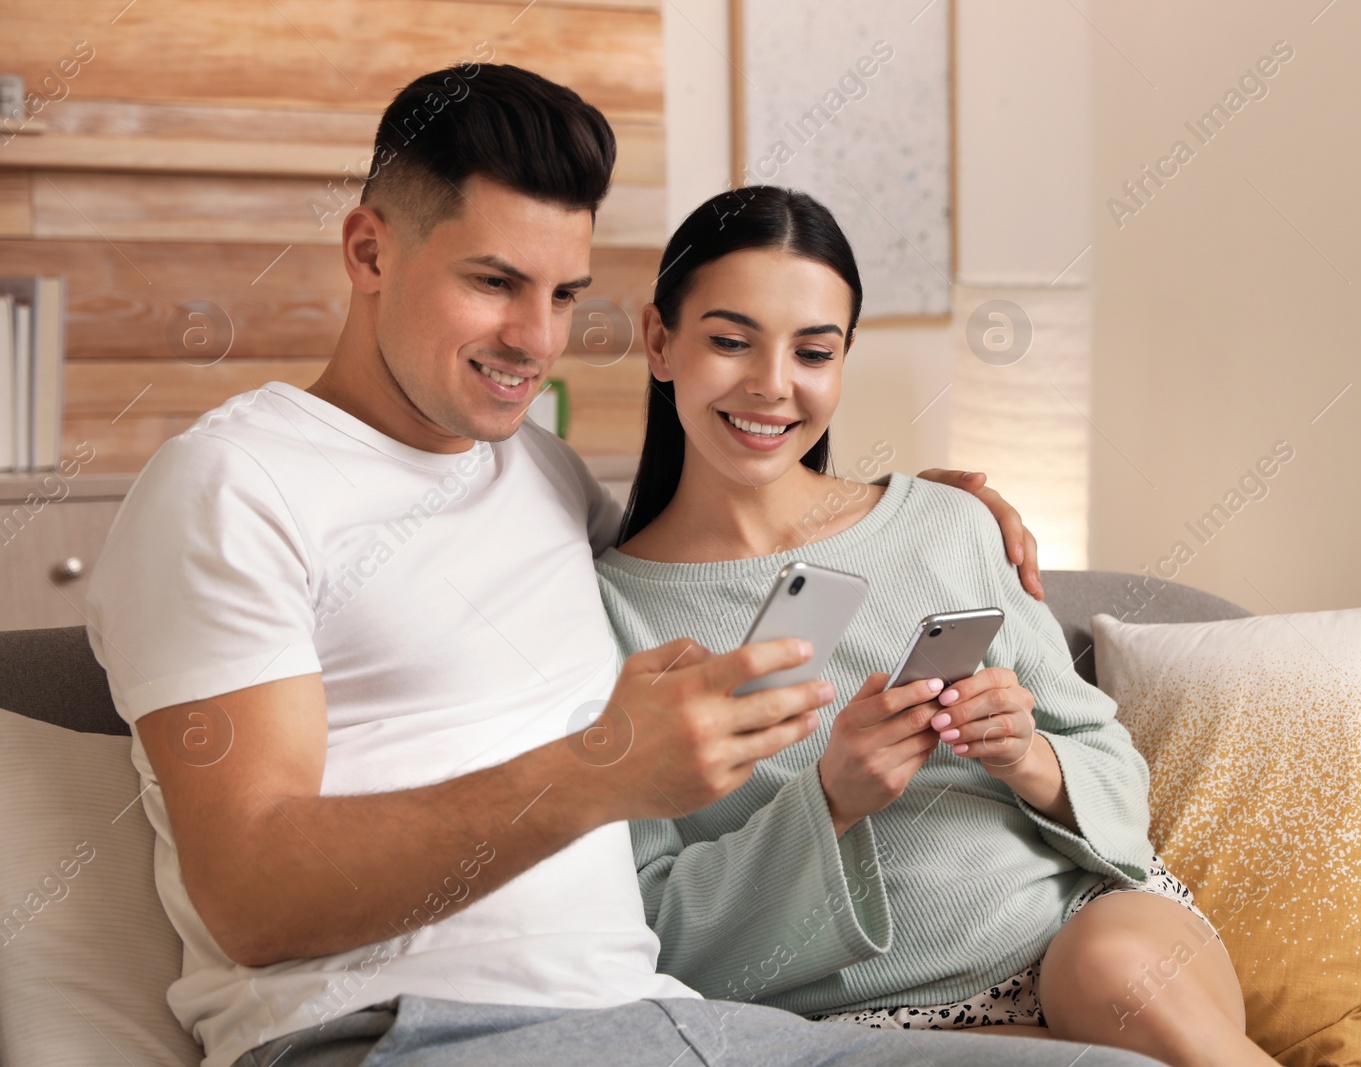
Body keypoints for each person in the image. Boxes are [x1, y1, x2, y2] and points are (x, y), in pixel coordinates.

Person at [82, 64, 1165, 1067]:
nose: (534, 339)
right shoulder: (230, 485)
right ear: (369, 251)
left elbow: (710, 533)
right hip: (405, 1031)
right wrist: (598, 768)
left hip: (664, 1018)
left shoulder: (538, 474)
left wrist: (919, 507)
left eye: (561, 293)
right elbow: (253, 893)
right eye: (495, 281)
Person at [596, 185, 1276, 1067]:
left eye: (813, 350)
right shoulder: (610, 613)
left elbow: (1113, 775)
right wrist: (830, 799)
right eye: (730, 341)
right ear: (659, 340)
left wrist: (1025, 754)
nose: (772, 384)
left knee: (1115, 974)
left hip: (1081, 931)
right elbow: (654, 922)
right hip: (860, 1025)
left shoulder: (947, 524)